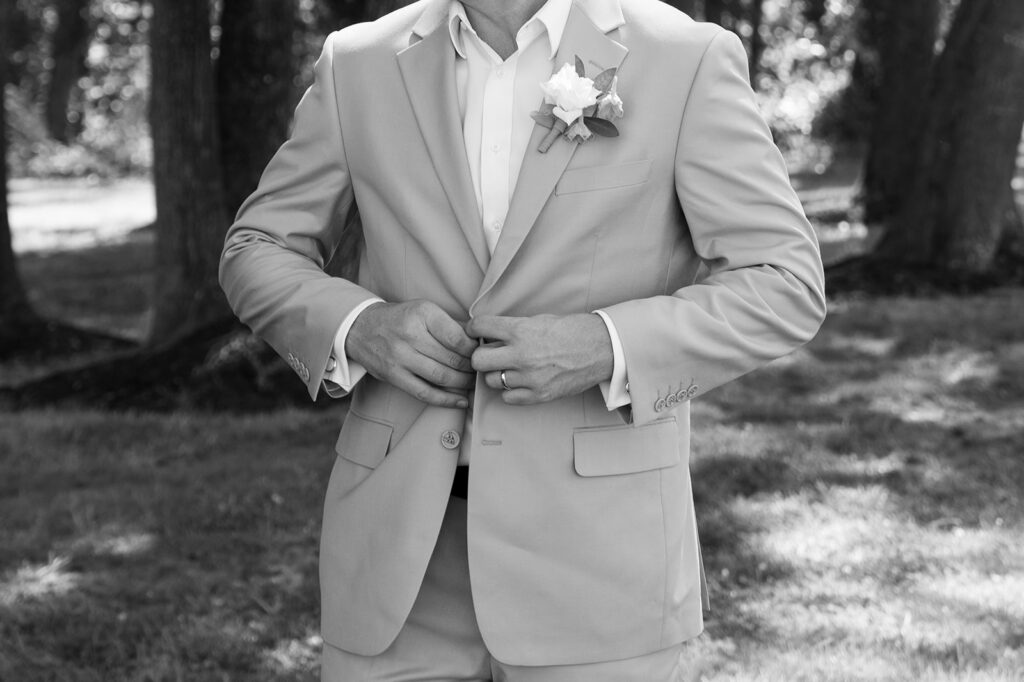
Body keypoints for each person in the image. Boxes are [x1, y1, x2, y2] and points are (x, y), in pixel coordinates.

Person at [219, 0, 826, 678]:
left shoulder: (685, 58)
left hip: (601, 566)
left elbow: (783, 281)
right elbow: (257, 247)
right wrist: (358, 327)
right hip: (394, 564)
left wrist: (605, 346)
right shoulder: (358, 62)